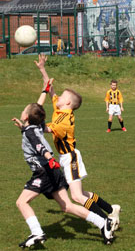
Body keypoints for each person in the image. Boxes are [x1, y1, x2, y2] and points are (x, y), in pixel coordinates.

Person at [12, 86, 115, 248]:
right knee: (66, 206)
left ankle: (37, 232)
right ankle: (103, 223)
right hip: (54, 172)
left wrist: (49, 158)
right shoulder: (33, 127)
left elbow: (40, 146)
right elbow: (36, 108)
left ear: (25, 116)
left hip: (44, 172)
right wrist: (44, 91)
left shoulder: (31, 131)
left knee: (21, 202)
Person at [34, 55, 121, 234]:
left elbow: (47, 129)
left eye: (61, 96)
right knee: (81, 193)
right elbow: (49, 89)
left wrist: (30, 122)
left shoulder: (65, 120)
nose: (57, 97)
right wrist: (42, 69)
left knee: (76, 196)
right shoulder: (60, 109)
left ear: (67, 103)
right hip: (66, 157)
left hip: (70, 157)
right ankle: (111, 210)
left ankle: (106, 222)